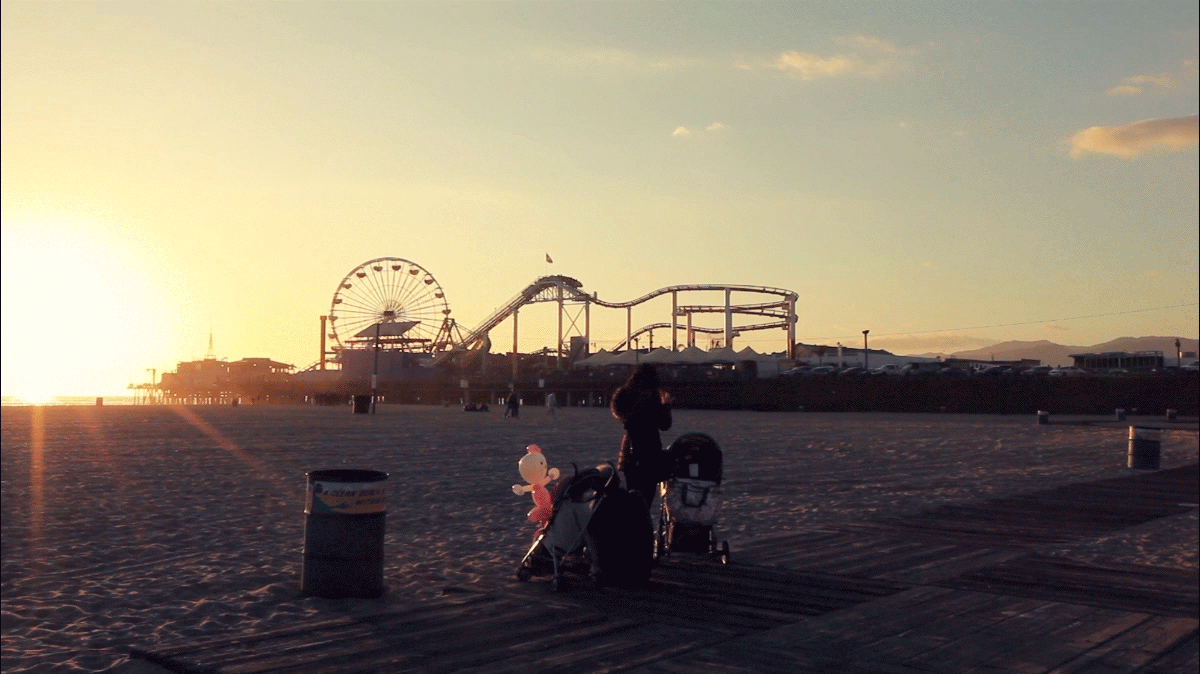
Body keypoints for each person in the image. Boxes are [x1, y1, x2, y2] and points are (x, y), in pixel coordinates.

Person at [610, 363, 672, 509]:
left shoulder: (625, 394)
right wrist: (666, 405)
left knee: (632, 493)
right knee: (646, 498)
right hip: (650, 449)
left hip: (630, 449)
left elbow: (619, 412)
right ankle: (640, 526)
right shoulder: (653, 395)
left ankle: (631, 527)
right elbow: (664, 425)